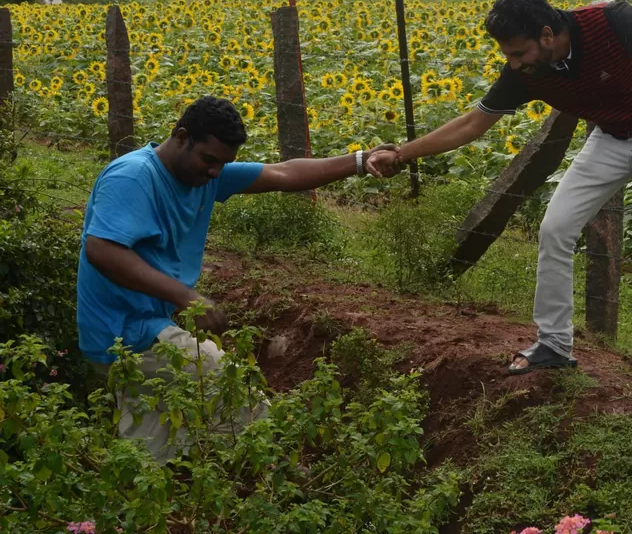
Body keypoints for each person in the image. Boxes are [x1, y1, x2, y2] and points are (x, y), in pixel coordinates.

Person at [368, 0, 632, 418]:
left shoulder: (613, 21)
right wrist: (401, 154)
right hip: (610, 140)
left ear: (547, 34)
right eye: (508, 55)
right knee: (555, 229)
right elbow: (473, 123)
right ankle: (554, 343)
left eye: (519, 52)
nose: (514, 63)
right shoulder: (528, 72)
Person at [78, 96, 395, 461]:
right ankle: (272, 476)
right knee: (235, 391)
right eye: (210, 160)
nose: (215, 172)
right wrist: (188, 297)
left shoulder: (202, 175)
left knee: (150, 451)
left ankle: (145, 501)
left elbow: (285, 173)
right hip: (126, 332)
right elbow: (101, 250)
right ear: (181, 137)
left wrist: (360, 160)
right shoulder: (134, 176)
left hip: (143, 327)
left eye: (223, 164)